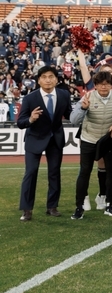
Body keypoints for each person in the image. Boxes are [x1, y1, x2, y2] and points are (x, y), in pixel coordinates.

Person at [69, 71, 112, 220]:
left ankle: (110, 204)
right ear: (95, 85)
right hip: (89, 139)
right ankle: (79, 207)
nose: (104, 87)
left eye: (107, 84)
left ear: (111, 85)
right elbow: (73, 120)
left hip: (108, 139)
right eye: (100, 84)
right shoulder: (88, 97)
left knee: (111, 172)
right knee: (85, 172)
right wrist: (83, 108)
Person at [17, 66, 73, 221]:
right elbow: (20, 122)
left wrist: (82, 109)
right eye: (44, 77)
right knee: (30, 173)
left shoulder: (64, 95)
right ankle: (27, 209)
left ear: (56, 79)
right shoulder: (30, 98)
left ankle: (52, 207)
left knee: (54, 173)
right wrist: (30, 119)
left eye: (51, 76)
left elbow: (69, 114)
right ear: (39, 80)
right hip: (34, 139)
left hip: (55, 139)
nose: (48, 80)